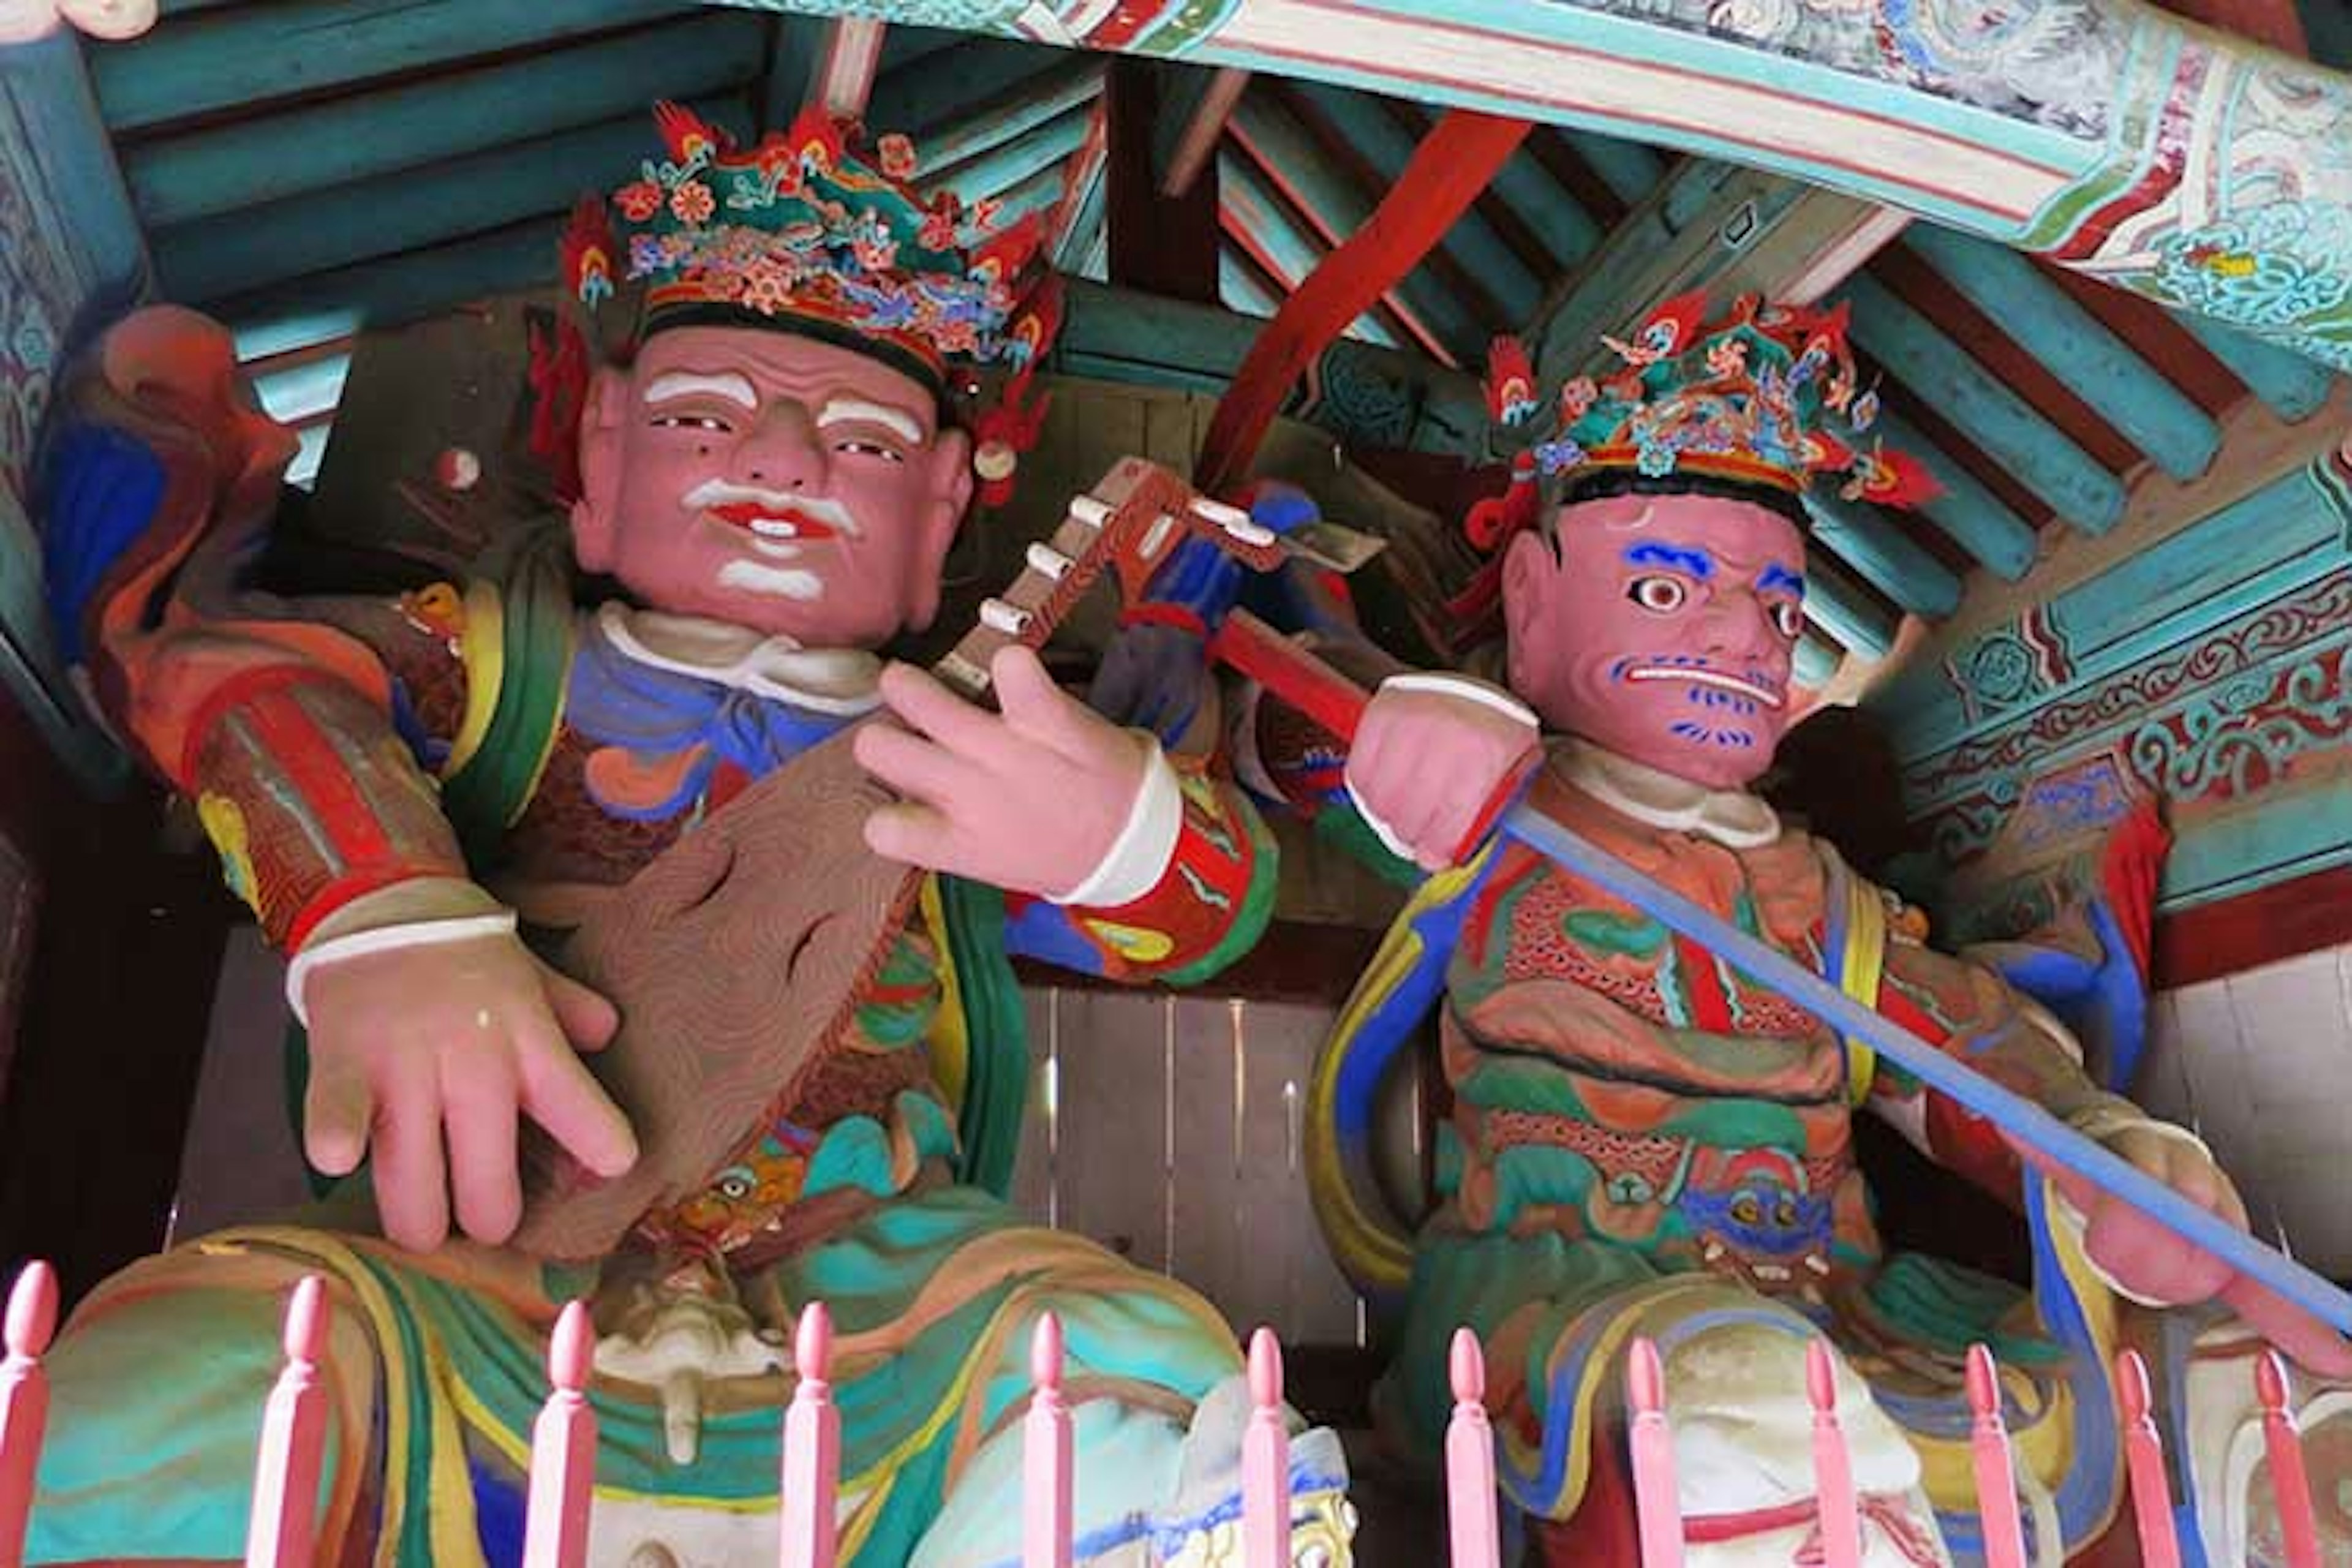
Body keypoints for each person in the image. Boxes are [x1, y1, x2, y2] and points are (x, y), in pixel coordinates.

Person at [24, 106, 1351, 1566]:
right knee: (162, 1369)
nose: (779, 463)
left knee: (1149, 1367)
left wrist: (1118, 831)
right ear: (597, 460)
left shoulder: (969, 731)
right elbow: (237, 687)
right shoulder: (495, 666)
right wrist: (382, 910)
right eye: (703, 418)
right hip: (470, 1259)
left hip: (885, 1269)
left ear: (937, 522)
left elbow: (1216, 905)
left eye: (861, 439)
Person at [1231, 293, 2352, 1562]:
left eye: (1776, 607)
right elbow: (1271, 765)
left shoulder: (1823, 892)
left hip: (1845, 1290)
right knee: (1739, 1411)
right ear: (1534, 604)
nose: (1739, 639)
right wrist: (1383, 726)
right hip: (1564, 1290)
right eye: (1665, 584)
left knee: (2232, 1366)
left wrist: (2104, 1151)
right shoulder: (1490, 813)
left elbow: (1970, 1051)